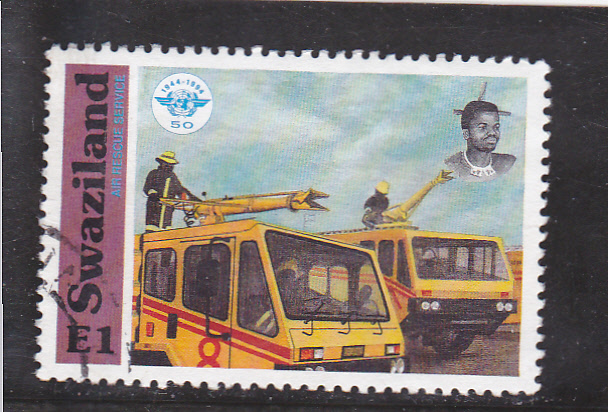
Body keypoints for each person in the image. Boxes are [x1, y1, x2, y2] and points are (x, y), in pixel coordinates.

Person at [445, 100, 516, 182]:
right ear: (466, 133)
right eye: (482, 127)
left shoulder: (508, 163)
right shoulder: (451, 166)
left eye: (496, 127)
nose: (492, 132)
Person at [143, 151, 200, 231]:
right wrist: (153, 194)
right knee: (153, 227)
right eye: (167, 164)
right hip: (155, 206)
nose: (169, 166)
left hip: (168, 207)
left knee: (166, 227)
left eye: (171, 165)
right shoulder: (154, 173)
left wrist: (192, 198)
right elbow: (147, 187)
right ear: (161, 163)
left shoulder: (172, 176)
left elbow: (180, 189)